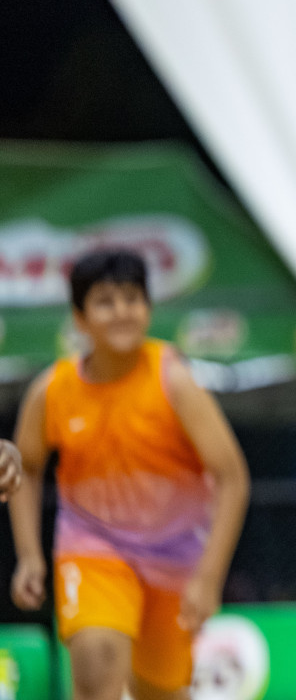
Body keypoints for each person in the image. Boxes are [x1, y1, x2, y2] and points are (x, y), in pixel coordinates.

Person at [8, 249, 250, 700]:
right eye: (105, 301)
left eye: (132, 298)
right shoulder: (52, 391)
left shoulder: (174, 382)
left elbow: (232, 476)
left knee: (160, 691)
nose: (122, 311)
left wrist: (209, 576)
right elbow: (27, 468)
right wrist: (29, 555)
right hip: (92, 548)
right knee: (97, 663)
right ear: (79, 319)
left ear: (148, 309)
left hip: (173, 559)